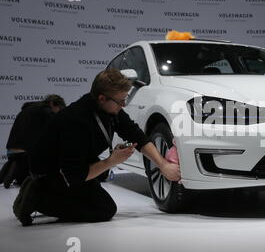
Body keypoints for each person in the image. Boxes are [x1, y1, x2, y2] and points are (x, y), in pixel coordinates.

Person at [12, 69, 181, 226]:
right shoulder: (76, 121)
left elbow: (138, 137)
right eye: (120, 100)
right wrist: (112, 161)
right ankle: (35, 197)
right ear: (102, 98)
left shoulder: (110, 110)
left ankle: (47, 196)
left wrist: (163, 165)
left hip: (76, 169)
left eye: (125, 99)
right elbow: (75, 175)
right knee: (104, 211)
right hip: (51, 173)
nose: (124, 104)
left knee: (101, 205)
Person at [0, 95, 66, 188]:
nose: (58, 113)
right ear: (53, 104)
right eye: (59, 109)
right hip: (26, 153)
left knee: (22, 172)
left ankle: (13, 167)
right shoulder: (46, 112)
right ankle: (16, 168)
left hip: (11, 150)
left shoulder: (28, 109)